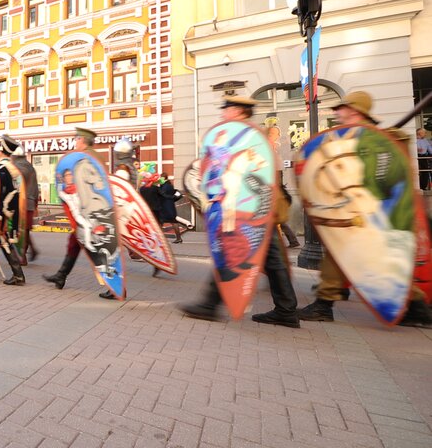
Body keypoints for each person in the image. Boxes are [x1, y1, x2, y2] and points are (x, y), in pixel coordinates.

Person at [297, 91, 432, 327]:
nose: (337, 113)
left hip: (375, 213)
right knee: (342, 253)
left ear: (355, 111)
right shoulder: (345, 138)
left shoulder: (384, 140)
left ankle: (414, 305)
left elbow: (392, 177)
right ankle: (326, 301)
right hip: (347, 212)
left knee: (380, 260)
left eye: (343, 108)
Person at [179, 95, 300, 327]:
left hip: (254, 208)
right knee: (269, 259)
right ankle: (286, 310)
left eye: (227, 109)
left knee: (231, 252)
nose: (223, 114)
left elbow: (263, 177)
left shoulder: (253, 139)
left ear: (237, 111)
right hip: (255, 209)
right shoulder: (248, 137)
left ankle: (209, 305)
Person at [43, 127, 115, 299]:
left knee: (98, 246)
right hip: (89, 212)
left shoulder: (86, 159)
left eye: (76, 139)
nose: (75, 142)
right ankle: (61, 276)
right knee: (75, 243)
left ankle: (115, 286)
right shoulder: (94, 157)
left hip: (92, 212)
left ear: (82, 140)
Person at [0, 134, 26, 285]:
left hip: (4, 211)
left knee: (3, 239)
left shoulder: (0, 168)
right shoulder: (14, 168)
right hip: (14, 210)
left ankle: (18, 275)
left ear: (0, 150)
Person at [266, 126, 301, 248]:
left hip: (274, 187)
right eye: (269, 133)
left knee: (275, 217)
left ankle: (285, 242)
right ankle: (290, 240)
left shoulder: (276, 149)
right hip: (272, 186)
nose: (270, 135)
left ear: (277, 136)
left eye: (273, 134)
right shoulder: (270, 148)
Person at [11, 146, 39, 261]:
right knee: (25, 229)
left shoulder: (18, 167)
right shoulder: (30, 167)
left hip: (21, 202)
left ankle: (22, 256)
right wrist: (35, 202)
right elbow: (36, 188)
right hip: (30, 201)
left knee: (20, 229)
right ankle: (32, 250)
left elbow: (16, 186)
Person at [157, 173, 184, 244]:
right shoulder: (169, 185)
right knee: (172, 222)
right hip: (170, 206)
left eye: (161, 178)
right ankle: (178, 238)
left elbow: (164, 195)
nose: (160, 179)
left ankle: (161, 240)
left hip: (165, 206)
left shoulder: (165, 186)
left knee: (161, 222)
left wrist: (159, 189)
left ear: (164, 178)